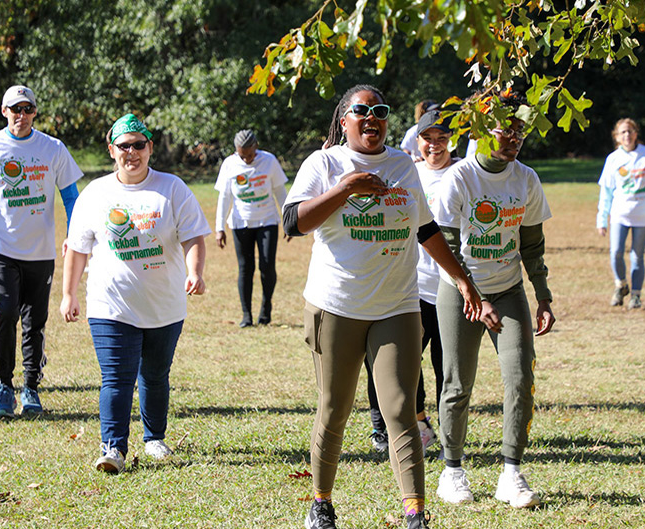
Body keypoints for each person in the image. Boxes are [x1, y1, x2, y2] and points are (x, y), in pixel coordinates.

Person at [283, 84, 482, 529]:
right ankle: (321, 503)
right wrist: (345, 189)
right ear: (344, 120)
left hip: (397, 307)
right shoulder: (325, 163)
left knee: (400, 409)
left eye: (380, 111)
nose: (371, 118)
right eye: (361, 111)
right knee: (334, 406)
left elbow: (425, 229)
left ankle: (416, 515)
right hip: (336, 306)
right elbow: (293, 221)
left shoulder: (402, 167)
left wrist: (462, 280)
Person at [60, 114, 210, 474]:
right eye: (124, 146)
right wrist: (68, 294)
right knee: (117, 378)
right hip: (110, 303)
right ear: (112, 150)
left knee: (155, 376)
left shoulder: (172, 188)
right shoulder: (95, 193)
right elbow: (78, 248)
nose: (132, 152)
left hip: (164, 305)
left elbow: (193, 236)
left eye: (138, 145)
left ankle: (154, 438)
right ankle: (113, 447)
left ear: (150, 148)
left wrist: (195, 272)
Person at [432, 91, 555, 509]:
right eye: (507, 128)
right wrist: (473, 294)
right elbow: (446, 245)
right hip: (460, 291)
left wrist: (543, 297)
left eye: (521, 130)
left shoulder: (526, 179)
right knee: (457, 383)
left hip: (508, 290)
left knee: (520, 375)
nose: (515, 137)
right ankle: (452, 471)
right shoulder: (460, 178)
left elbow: (533, 245)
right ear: (483, 129)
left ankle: (511, 473)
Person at [0, 85, 83, 418]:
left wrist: (74, 237)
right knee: (6, 311)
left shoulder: (52, 149)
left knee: (35, 321)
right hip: (1, 248)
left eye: (28, 109)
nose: (22, 116)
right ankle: (4, 388)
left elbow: (72, 198)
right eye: (16, 109)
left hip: (41, 252)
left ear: (34, 113)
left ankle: (31, 388)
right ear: (4, 111)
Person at [365, 109, 460, 455]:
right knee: (399, 362)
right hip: (410, 286)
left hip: (450, 287)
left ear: (454, 139)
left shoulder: (463, 174)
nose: (434, 145)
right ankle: (404, 424)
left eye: (441, 137)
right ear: (416, 141)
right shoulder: (406, 172)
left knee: (447, 366)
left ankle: (450, 432)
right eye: (427, 138)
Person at [214, 130, 288, 327]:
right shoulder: (230, 164)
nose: (246, 159)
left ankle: (266, 309)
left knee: (266, 266)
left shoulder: (269, 161)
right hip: (241, 222)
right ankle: (246, 315)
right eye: (242, 155)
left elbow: (280, 192)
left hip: (267, 221)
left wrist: (290, 221)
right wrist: (219, 228)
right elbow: (224, 197)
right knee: (245, 268)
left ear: (256, 147)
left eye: (250, 154)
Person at [596, 118, 645, 309]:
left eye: (630, 131)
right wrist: (602, 218)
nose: (627, 135)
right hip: (620, 213)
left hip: (643, 215)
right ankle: (621, 285)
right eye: (623, 132)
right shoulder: (613, 159)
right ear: (617, 137)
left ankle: (636, 295)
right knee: (616, 253)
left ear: (636, 134)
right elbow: (606, 192)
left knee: (637, 256)